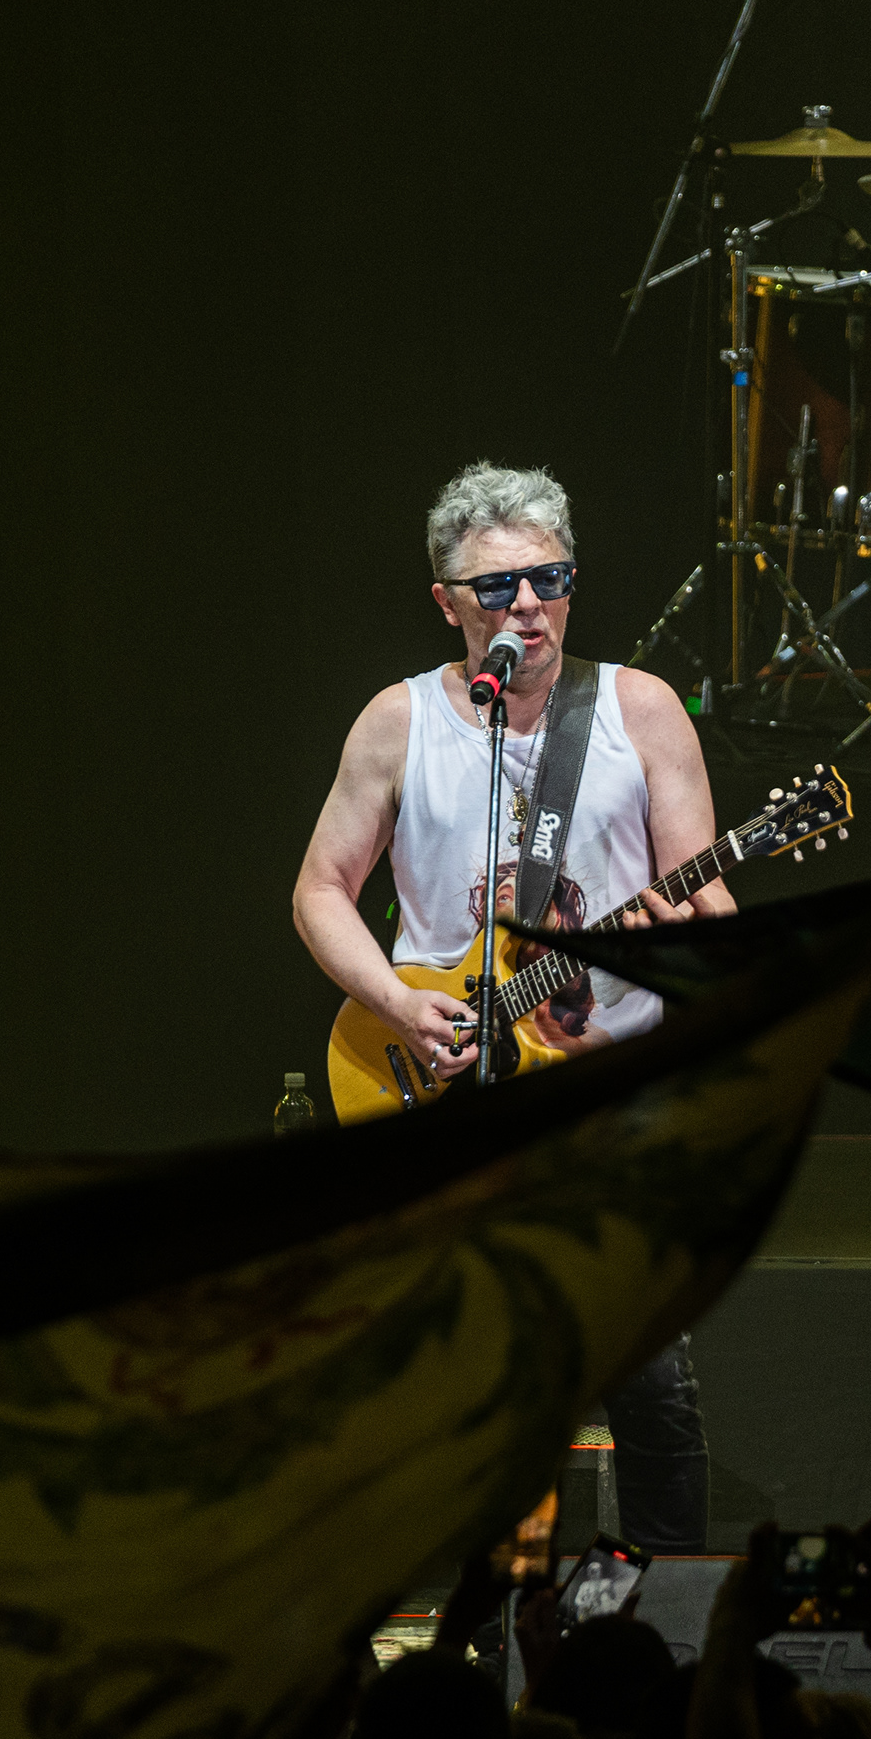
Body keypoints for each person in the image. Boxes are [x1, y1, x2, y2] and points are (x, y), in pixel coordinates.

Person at [288, 460, 731, 1552]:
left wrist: (697, 931)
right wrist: (397, 1002)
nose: (528, 606)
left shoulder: (640, 711)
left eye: (550, 579)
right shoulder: (397, 723)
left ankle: (670, 1615)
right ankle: (492, 1622)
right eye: (498, 587)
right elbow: (320, 890)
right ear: (448, 602)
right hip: (445, 1091)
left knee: (653, 1388)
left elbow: (706, 899)